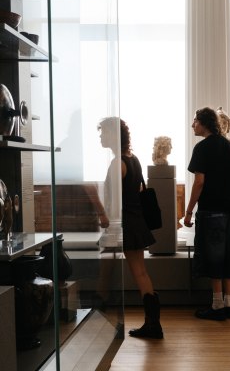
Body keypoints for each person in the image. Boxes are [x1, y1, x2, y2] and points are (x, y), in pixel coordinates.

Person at [98, 117, 163, 339]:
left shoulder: (118, 163)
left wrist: (103, 213)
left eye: (103, 132)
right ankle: (153, 323)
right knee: (140, 273)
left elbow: (114, 201)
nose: (100, 136)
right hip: (136, 222)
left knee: (137, 273)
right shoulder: (132, 159)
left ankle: (152, 325)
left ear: (113, 135)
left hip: (126, 224)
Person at [184, 107, 230, 321]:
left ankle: (217, 305)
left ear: (205, 123)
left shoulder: (202, 148)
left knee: (214, 257)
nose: (193, 126)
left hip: (212, 210)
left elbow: (199, 182)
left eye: (195, 121)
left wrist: (189, 211)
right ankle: (228, 304)